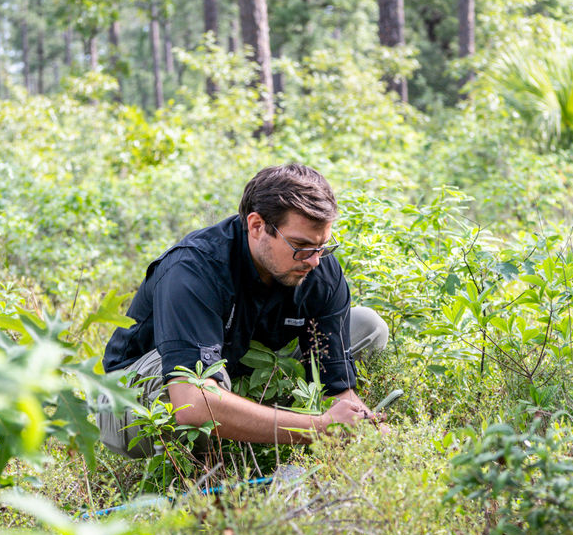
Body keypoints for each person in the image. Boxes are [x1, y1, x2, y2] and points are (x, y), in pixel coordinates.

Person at [97, 163, 390, 458]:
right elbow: (192, 404)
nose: (314, 261)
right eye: (300, 245)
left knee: (367, 325)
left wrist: (363, 429)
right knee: (193, 385)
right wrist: (315, 428)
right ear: (256, 226)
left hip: (229, 373)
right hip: (128, 401)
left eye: (323, 246)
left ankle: (249, 427)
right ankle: (210, 472)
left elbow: (336, 389)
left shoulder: (318, 268)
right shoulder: (194, 268)